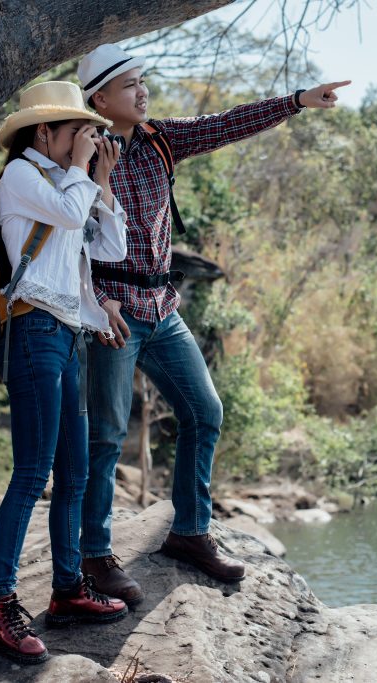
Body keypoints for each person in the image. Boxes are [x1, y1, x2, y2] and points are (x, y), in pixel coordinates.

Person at [75, 43, 350, 600]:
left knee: (205, 411)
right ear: (101, 98)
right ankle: (94, 558)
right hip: (113, 311)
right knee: (105, 437)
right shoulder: (80, 152)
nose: (143, 91)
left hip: (162, 308)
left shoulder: (160, 140)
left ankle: (190, 534)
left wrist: (296, 101)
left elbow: (225, 123)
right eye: (130, 86)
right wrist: (98, 300)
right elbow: (70, 239)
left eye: (143, 81)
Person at [0, 81, 131, 664]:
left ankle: (67, 590)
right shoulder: (23, 176)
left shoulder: (76, 182)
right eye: (77, 130)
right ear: (44, 133)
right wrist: (84, 171)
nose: (86, 139)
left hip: (70, 338)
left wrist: (102, 179)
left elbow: (109, 248)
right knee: (32, 472)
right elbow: (68, 213)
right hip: (35, 333)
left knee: (74, 473)